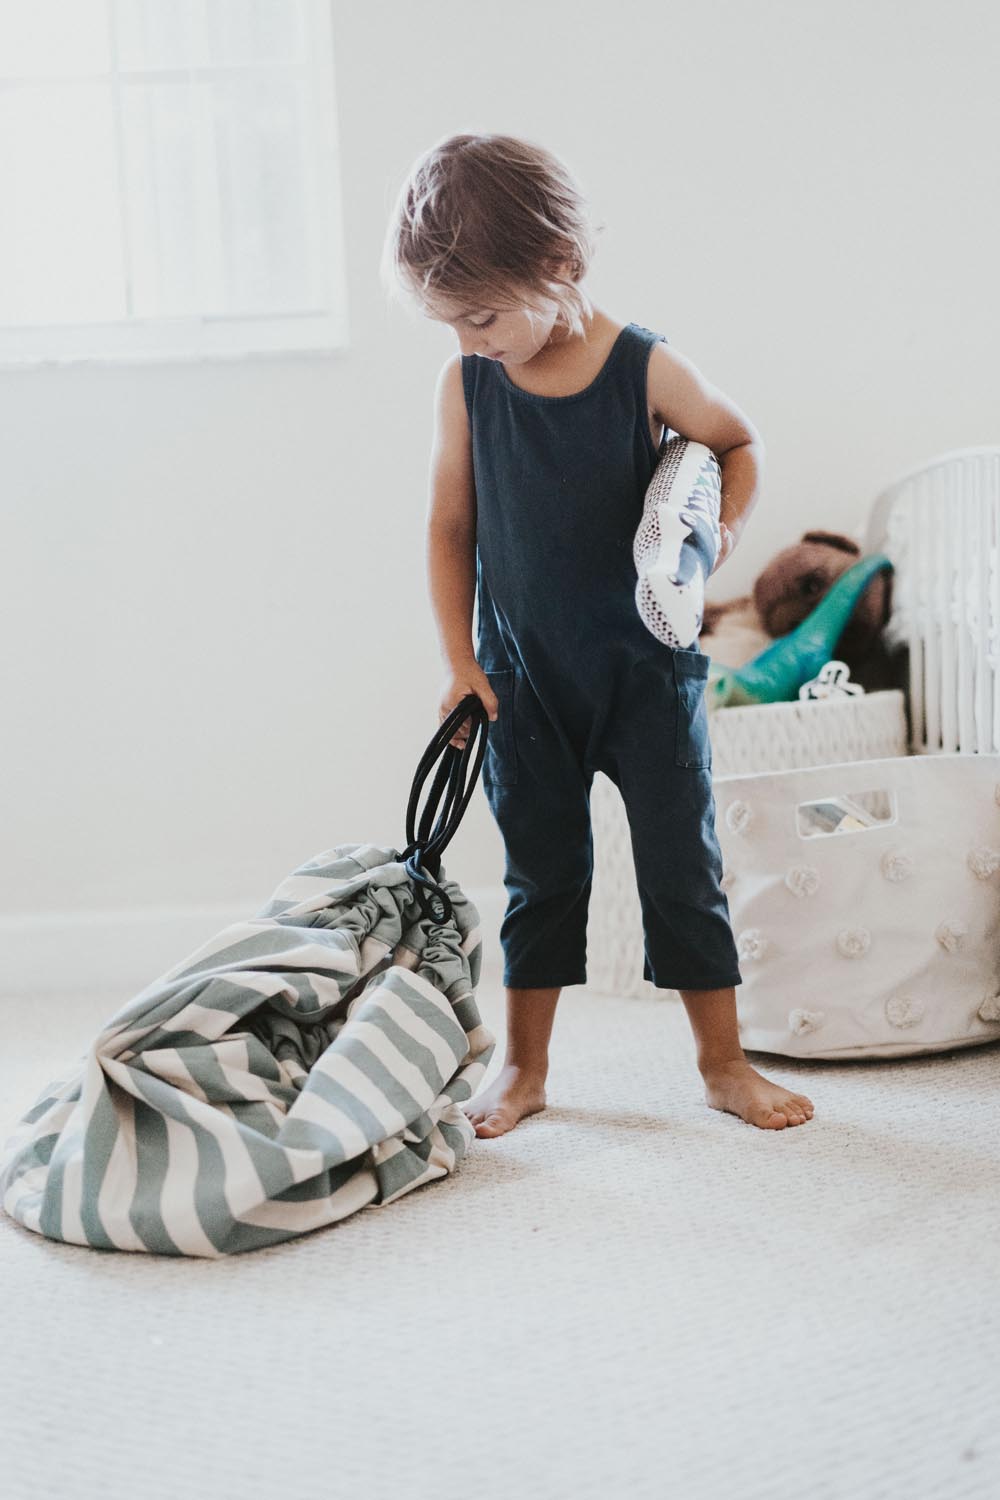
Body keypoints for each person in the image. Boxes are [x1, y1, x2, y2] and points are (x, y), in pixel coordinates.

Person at [381, 132, 815, 1136]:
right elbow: (451, 528)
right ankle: (525, 1072)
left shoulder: (643, 367)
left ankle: (722, 1063)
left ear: (560, 267)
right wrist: (459, 665)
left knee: (682, 870)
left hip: (645, 672)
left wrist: (716, 533)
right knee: (541, 877)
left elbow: (736, 442)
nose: (467, 340)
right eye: (449, 324)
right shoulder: (469, 386)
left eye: (481, 316)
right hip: (522, 682)